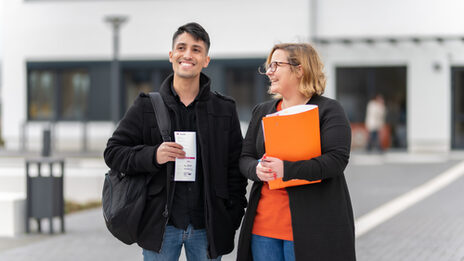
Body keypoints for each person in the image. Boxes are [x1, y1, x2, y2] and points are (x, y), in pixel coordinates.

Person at [104, 22, 247, 261]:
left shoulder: (224, 109)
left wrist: (233, 215)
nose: (187, 54)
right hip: (160, 226)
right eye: (181, 47)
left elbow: (235, 168)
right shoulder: (146, 106)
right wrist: (153, 156)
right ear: (172, 56)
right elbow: (113, 153)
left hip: (208, 227)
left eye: (196, 49)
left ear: (206, 60)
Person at [237, 43, 356, 261]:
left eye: (276, 65)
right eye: (268, 66)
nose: (269, 72)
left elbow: (336, 161)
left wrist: (286, 169)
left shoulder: (329, 110)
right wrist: (257, 169)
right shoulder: (261, 111)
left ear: (299, 69)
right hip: (263, 227)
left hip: (311, 228)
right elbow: (244, 158)